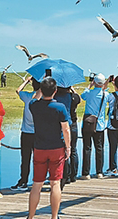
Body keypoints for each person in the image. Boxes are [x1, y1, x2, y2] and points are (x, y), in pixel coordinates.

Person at [27, 77, 71, 219]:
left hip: (39, 148)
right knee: (55, 183)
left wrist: (39, 90)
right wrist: (68, 147)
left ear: (41, 90)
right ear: (55, 91)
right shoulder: (60, 107)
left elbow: (35, 98)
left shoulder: (34, 105)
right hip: (56, 148)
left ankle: (31, 216)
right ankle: (54, 216)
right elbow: (66, 129)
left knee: (37, 184)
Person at [12, 76, 40, 191]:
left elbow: (18, 90)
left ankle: (23, 181)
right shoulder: (43, 98)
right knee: (39, 160)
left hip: (26, 133)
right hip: (39, 134)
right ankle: (38, 181)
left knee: (25, 159)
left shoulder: (27, 96)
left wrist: (26, 81)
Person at [80, 74, 109, 179]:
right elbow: (105, 92)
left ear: (95, 82)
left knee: (87, 148)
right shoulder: (106, 95)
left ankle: (86, 173)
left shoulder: (89, 93)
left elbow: (83, 96)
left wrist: (89, 85)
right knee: (99, 148)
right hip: (99, 125)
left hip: (88, 124)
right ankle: (99, 172)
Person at [54, 85, 80, 184]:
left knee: (64, 151)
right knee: (73, 150)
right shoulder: (72, 97)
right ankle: (74, 175)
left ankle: (66, 176)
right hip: (73, 124)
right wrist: (72, 89)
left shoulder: (56, 97)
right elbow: (78, 98)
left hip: (62, 125)